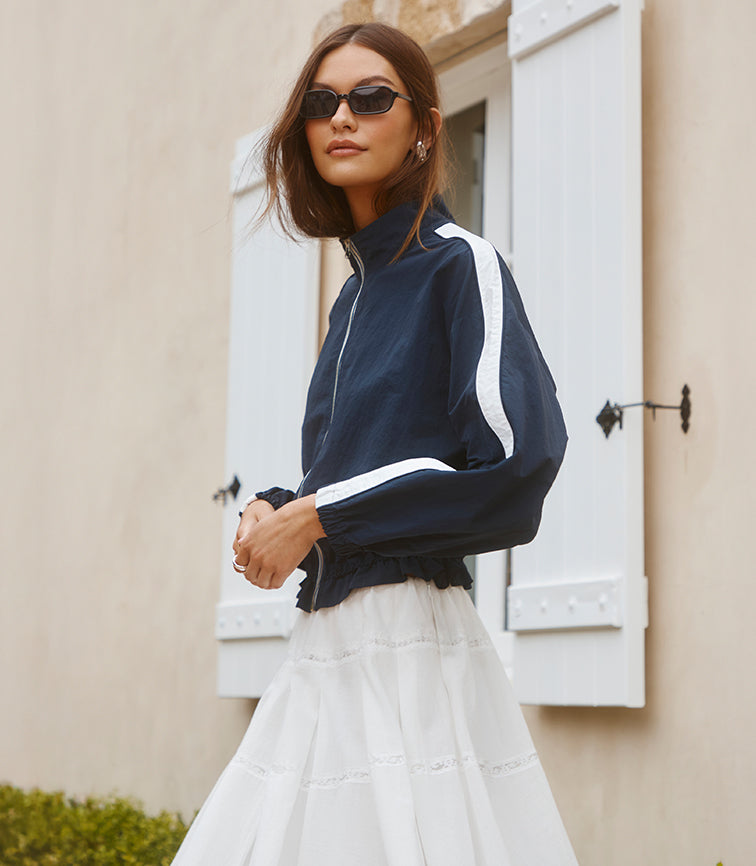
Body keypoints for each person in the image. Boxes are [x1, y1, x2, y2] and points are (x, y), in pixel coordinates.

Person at [171, 21, 578, 866]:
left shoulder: (461, 266)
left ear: (425, 125)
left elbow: (514, 466)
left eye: (369, 98)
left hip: (412, 649)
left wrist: (318, 515)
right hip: (323, 647)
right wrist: (279, 508)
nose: (342, 118)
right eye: (322, 103)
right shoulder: (349, 304)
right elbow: (362, 469)